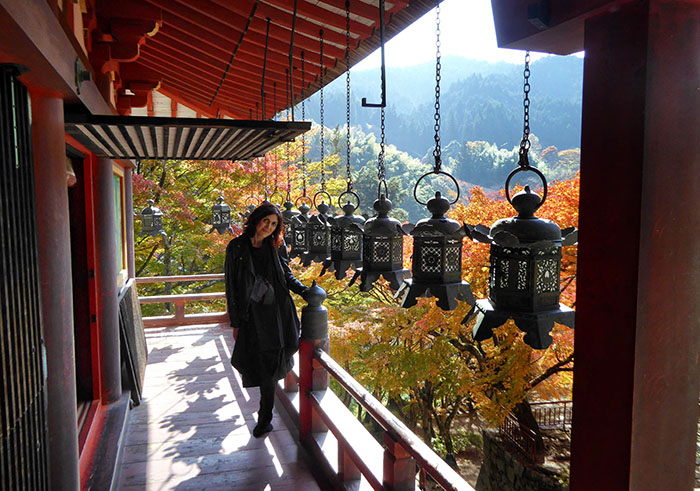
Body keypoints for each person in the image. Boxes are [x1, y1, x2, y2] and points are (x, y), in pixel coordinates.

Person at [224, 202, 308, 438]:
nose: (269, 227)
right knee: (260, 364)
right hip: (252, 316)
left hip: (277, 315)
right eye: (266, 221)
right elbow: (232, 287)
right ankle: (265, 418)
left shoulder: (276, 247)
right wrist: (236, 323)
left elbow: (287, 275)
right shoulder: (237, 248)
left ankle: (264, 419)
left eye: (274, 224)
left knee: (270, 366)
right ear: (256, 220)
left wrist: (304, 291)